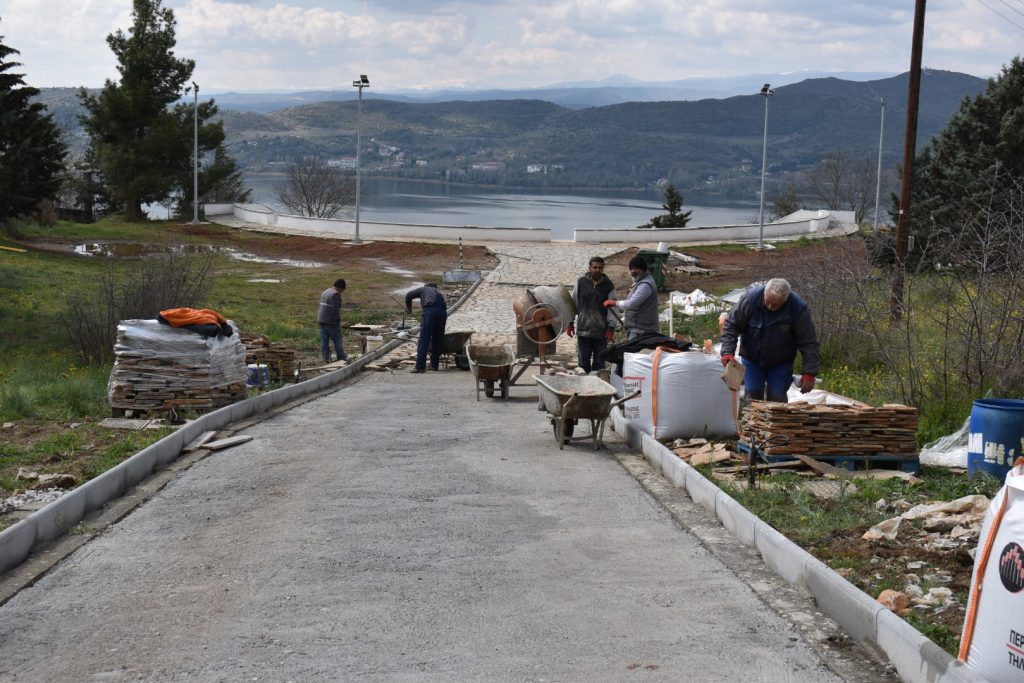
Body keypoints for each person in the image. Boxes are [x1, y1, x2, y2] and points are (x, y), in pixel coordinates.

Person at [719, 278, 820, 403]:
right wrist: (727, 351)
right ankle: (753, 422)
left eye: (776, 304)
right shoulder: (750, 300)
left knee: (777, 398)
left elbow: (809, 341)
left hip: (781, 361)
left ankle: (776, 422)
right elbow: (731, 325)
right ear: (764, 293)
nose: (771, 306)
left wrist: (809, 372)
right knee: (753, 396)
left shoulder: (798, 309)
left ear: (785, 300)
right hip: (752, 358)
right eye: (768, 302)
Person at [566, 256, 617, 372]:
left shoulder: (608, 286)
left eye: (600, 267)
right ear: (589, 268)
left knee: (599, 365)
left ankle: (598, 388)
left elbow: (612, 308)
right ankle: (584, 388)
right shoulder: (581, 282)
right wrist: (570, 322)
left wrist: (611, 327)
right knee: (583, 364)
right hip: (583, 331)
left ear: (603, 268)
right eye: (594, 267)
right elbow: (573, 303)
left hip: (601, 332)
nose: (597, 270)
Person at [603, 255, 659, 339]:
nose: (633, 271)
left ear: (643, 269)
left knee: (633, 351)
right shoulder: (640, 281)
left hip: (642, 330)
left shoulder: (645, 285)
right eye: (631, 269)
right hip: (639, 328)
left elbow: (631, 304)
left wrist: (614, 303)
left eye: (636, 268)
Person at [405, 282, 448, 373]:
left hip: (430, 312)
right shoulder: (438, 293)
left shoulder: (423, 289)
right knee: (437, 340)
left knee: (424, 339)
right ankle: (434, 366)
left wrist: (409, 309)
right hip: (443, 314)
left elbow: (408, 295)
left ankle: (420, 367)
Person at [317, 278, 348, 363]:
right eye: (342, 290)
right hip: (330, 321)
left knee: (324, 341)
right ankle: (341, 358)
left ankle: (326, 358)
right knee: (338, 340)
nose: (342, 292)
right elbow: (335, 310)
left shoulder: (326, 291)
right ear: (340, 288)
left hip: (321, 320)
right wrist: (338, 322)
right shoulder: (335, 294)